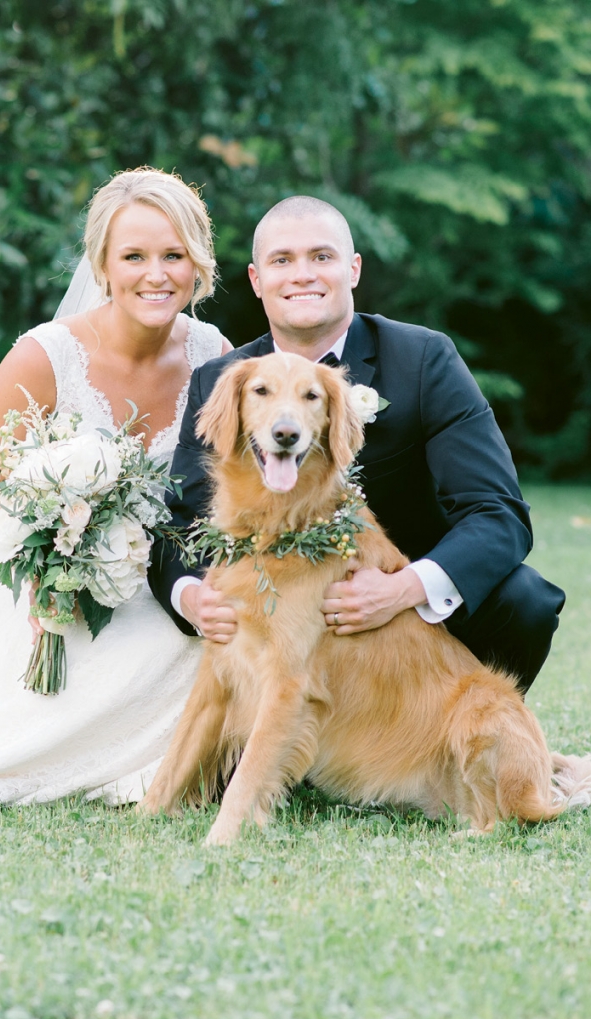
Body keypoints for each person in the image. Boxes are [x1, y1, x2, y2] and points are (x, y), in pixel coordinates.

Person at [148, 195, 565, 694]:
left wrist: (401, 590)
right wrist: (191, 595)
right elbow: (180, 519)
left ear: (353, 269)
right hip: (276, 619)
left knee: (527, 598)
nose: (302, 274)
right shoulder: (220, 380)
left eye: (321, 257)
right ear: (258, 281)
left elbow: (498, 513)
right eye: (282, 260)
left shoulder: (424, 359)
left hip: (411, 622)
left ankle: (463, 747)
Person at [0, 167, 232, 811]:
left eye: (174, 255)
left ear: (198, 265)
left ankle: (168, 761)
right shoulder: (42, 359)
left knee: (188, 637)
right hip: (24, 567)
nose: (156, 274)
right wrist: (50, 578)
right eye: (134, 256)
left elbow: (214, 500)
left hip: (154, 570)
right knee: (111, 657)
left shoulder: (213, 355)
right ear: (103, 267)